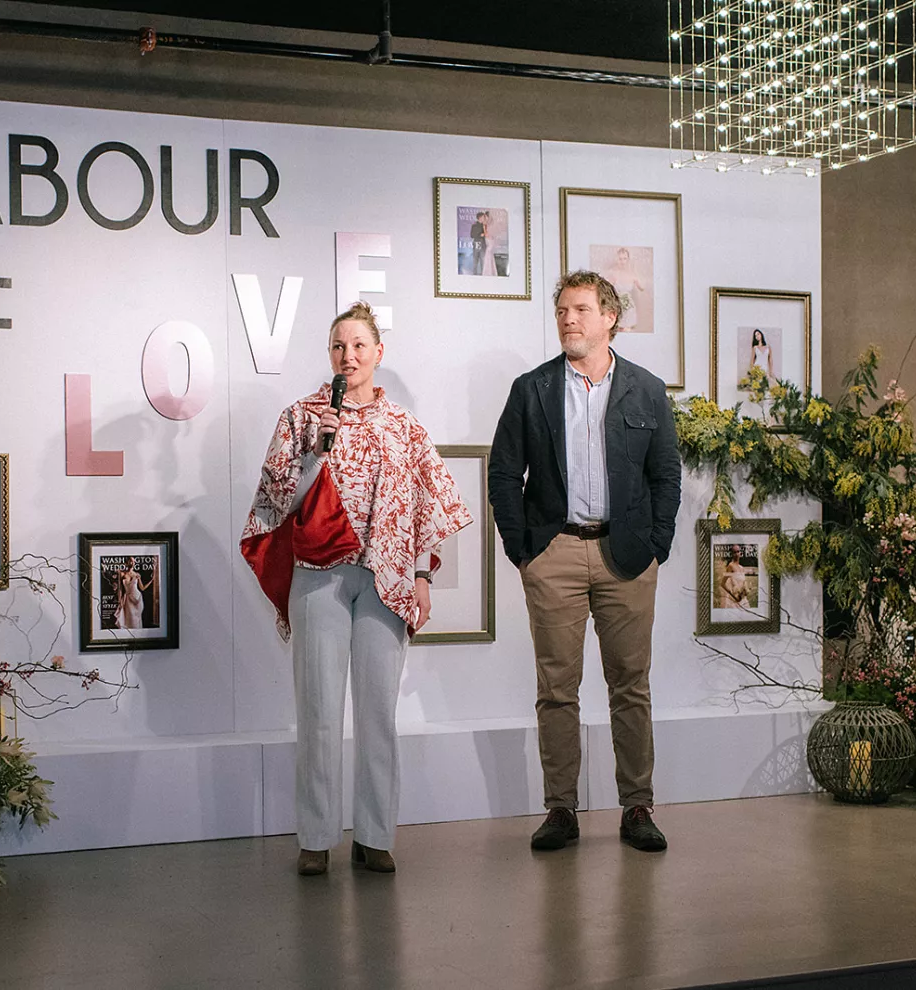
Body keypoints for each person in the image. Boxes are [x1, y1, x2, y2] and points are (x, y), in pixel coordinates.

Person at [241, 300, 473, 877]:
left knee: (377, 714)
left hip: (385, 579)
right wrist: (315, 456)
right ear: (329, 354)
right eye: (338, 346)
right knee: (319, 710)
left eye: (359, 345)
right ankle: (316, 838)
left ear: (378, 352)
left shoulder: (404, 426)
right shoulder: (301, 418)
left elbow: (422, 506)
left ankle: (374, 836)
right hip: (319, 573)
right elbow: (275, 502)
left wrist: (421, 575)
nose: (348, 356)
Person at [489, 270, 682, 854]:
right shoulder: (532, 389)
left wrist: (657, 543)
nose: (568, 320)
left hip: (628, 555)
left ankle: (637, 806)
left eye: (579, 310)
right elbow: (504, 472)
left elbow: (665, 475)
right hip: (555, 553)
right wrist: (523, 550)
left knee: (631, 685)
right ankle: (560, 809)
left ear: (609, 318)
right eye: (561, 311)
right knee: (556, 688)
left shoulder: (647, 390)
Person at [603, 247, 645, 332]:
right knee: (617, 329)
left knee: (628, 329)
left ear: (628, 260)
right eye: (620, 259)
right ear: (617, 260)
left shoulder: (632, 274)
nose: (622, 261)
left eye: (625, 259)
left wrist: (637, 277)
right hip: (617, 305)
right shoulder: (613, 274)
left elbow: (642, 288)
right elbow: (606, 290)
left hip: (629, 306)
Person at [114, 565, 152, 630]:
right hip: (127, 598)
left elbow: (142, 588)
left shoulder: (137, 574)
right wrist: (120, 600)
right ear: (126, 563)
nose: (132, 563)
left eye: (133, 561)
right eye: (130, 561)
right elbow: (120, 589)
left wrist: (151, 581)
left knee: (136, 618)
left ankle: (136, 634)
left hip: (137, 598)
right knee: (128, 618)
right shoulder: (122, 574)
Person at [479, 211, 499, 277]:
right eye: (485, 217)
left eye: (486, 216)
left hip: (490, 241)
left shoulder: (490, 224)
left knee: (488, 254)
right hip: (488, 241)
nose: (485, 218)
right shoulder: (485, 224)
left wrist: (484, 233)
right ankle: (491, 271)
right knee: (489, 256)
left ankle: (488, 272)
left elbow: (489, 234)